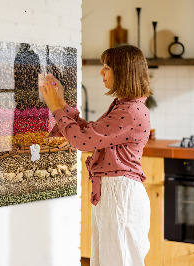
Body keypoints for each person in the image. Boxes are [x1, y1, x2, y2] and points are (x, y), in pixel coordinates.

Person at [40, 44, 152, 266]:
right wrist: (62, 103)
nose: (101, 72)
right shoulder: (125, 106)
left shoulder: (129, 111)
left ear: (123, 72)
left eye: (107, 67)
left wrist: (55, 108)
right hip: (115, 193)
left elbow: (82, 141)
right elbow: (90, 133)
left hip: (120, 196)